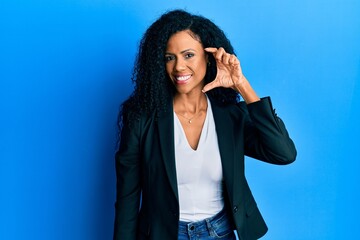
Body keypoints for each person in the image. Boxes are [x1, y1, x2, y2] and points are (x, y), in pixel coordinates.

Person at [113, 9, 297, 240]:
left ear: (208, 57)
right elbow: (128, 199)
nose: (179, 66)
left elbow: (283, 153)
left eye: (188, 55)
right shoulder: (142, 119)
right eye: (169, 57)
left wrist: (242, 85)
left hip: (220, 233)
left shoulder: (230, 116)